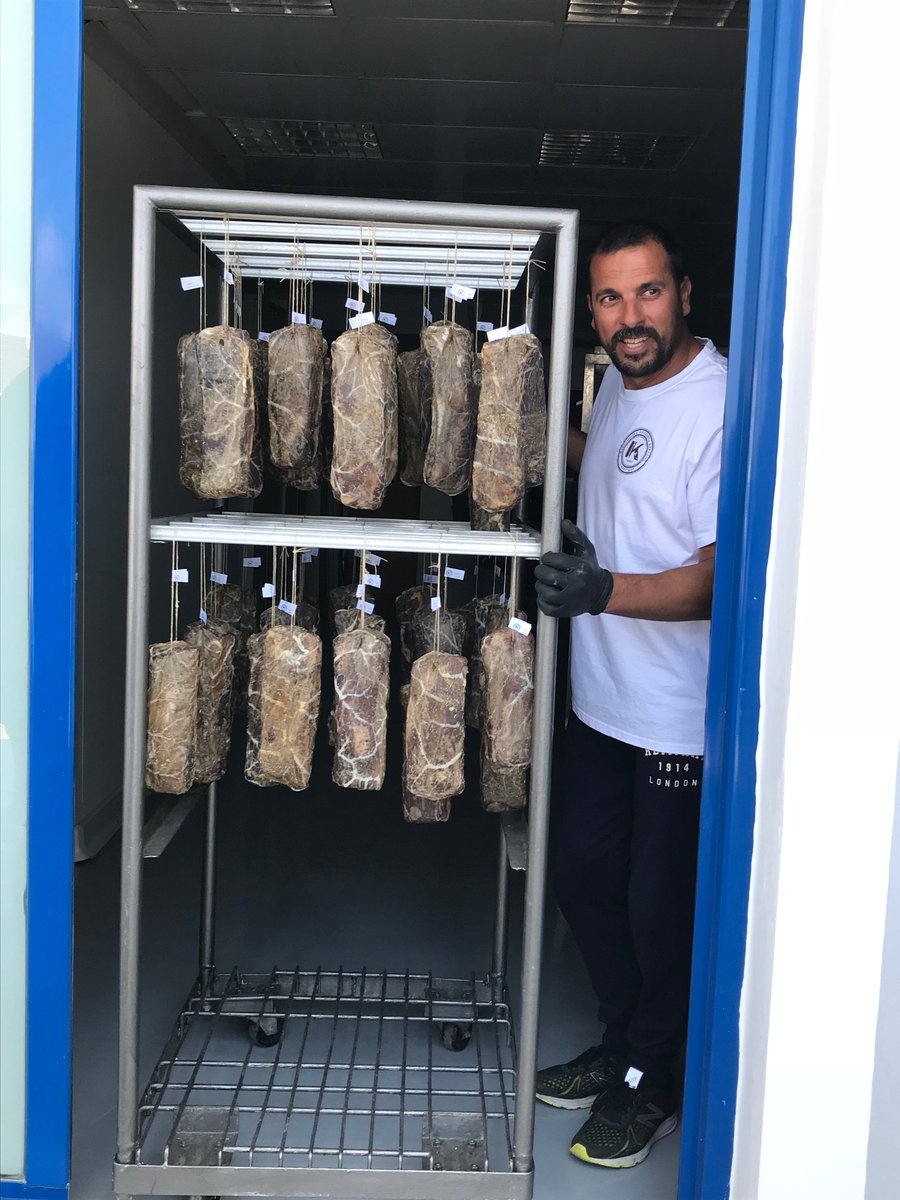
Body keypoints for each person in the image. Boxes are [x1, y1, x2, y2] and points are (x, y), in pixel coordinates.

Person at [533, 220, 727, 1170]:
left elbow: (717, 577)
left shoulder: (718, 406)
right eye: (611, 298)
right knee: (581, 878)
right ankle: (622, 1043)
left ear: (683, 293)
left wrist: (604, 590)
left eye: (648, 292)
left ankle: (655, 1081)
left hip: (675, 723)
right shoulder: (617, 380)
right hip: (600, 700)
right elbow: (607, 460)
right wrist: (525, 430)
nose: (631, 317)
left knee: (658, 911)